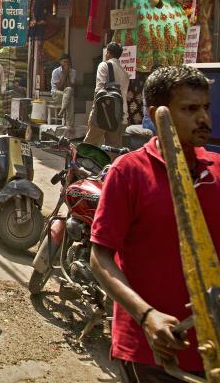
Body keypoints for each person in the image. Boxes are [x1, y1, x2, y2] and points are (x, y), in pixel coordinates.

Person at [90, 65, 219, 382]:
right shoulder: (129, 172)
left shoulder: (216, 169)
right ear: (156, 114)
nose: (203, 118)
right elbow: (100, 257)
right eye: (190, 109)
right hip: (153, 353)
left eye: (205, 107)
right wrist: (146, 316)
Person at [84, 42, 130, 147]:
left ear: (108, 53)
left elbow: (99, 89)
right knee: (113, 149)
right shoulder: (125, 73)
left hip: (104, 111)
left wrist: (94, 112)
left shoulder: (104, 65)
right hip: (120, 114)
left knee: (90, 146)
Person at [51, 53, 77, 128]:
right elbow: (59, 88)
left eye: (68, 62)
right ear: (60, 62)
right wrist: (65, 74)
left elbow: (71, 86)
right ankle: (70, 124)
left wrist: (68, 74)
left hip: (66, 94)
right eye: (64, 62)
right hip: (56, 93)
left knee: (69, 91)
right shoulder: (55, 72)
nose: (66, 64)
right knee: (70, 98)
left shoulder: (73, 72)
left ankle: (62, 109)